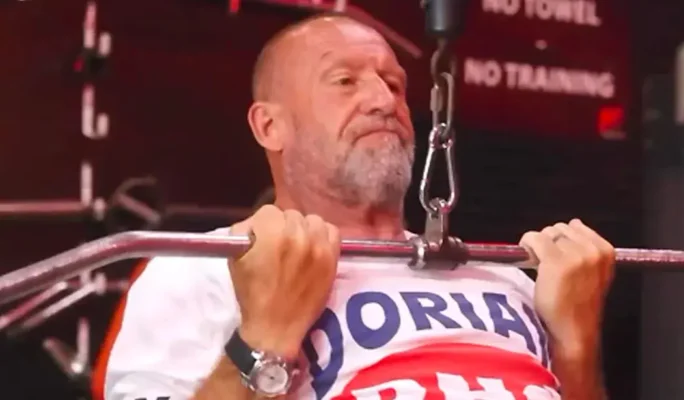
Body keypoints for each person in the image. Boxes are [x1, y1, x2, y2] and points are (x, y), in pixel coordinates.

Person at [103, 13, 615, 400]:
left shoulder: (508, 278)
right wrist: (265, 338)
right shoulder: (201, 269)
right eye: (345, 81)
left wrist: (576, 348)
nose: (384, 101)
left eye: (394, 84)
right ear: (270, 126)